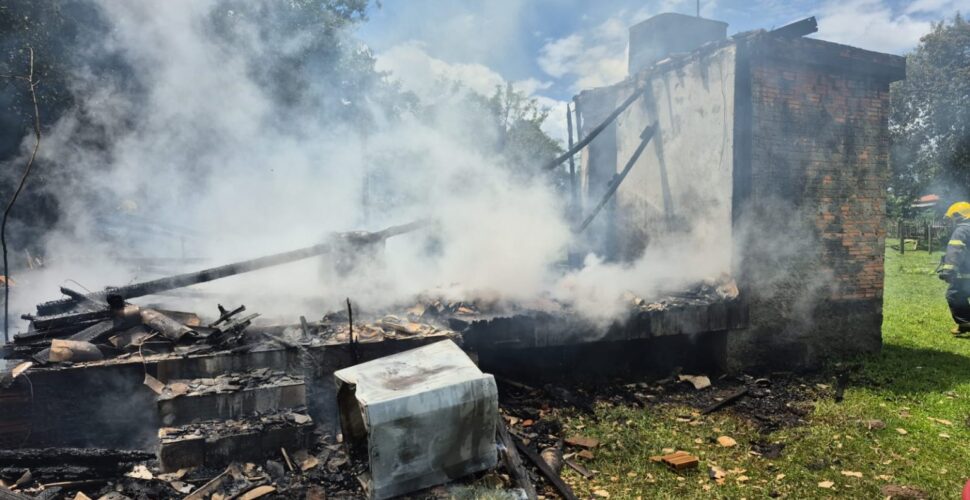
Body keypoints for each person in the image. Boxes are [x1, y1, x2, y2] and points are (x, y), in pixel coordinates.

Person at [938, 201, 970, 335]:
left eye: (951, 218)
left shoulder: (962, 230)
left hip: (965, 274)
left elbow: (955, 250)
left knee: (953, 295)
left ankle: (965, 323)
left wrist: (948, 271)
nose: (950, 222)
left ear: (958, 216)